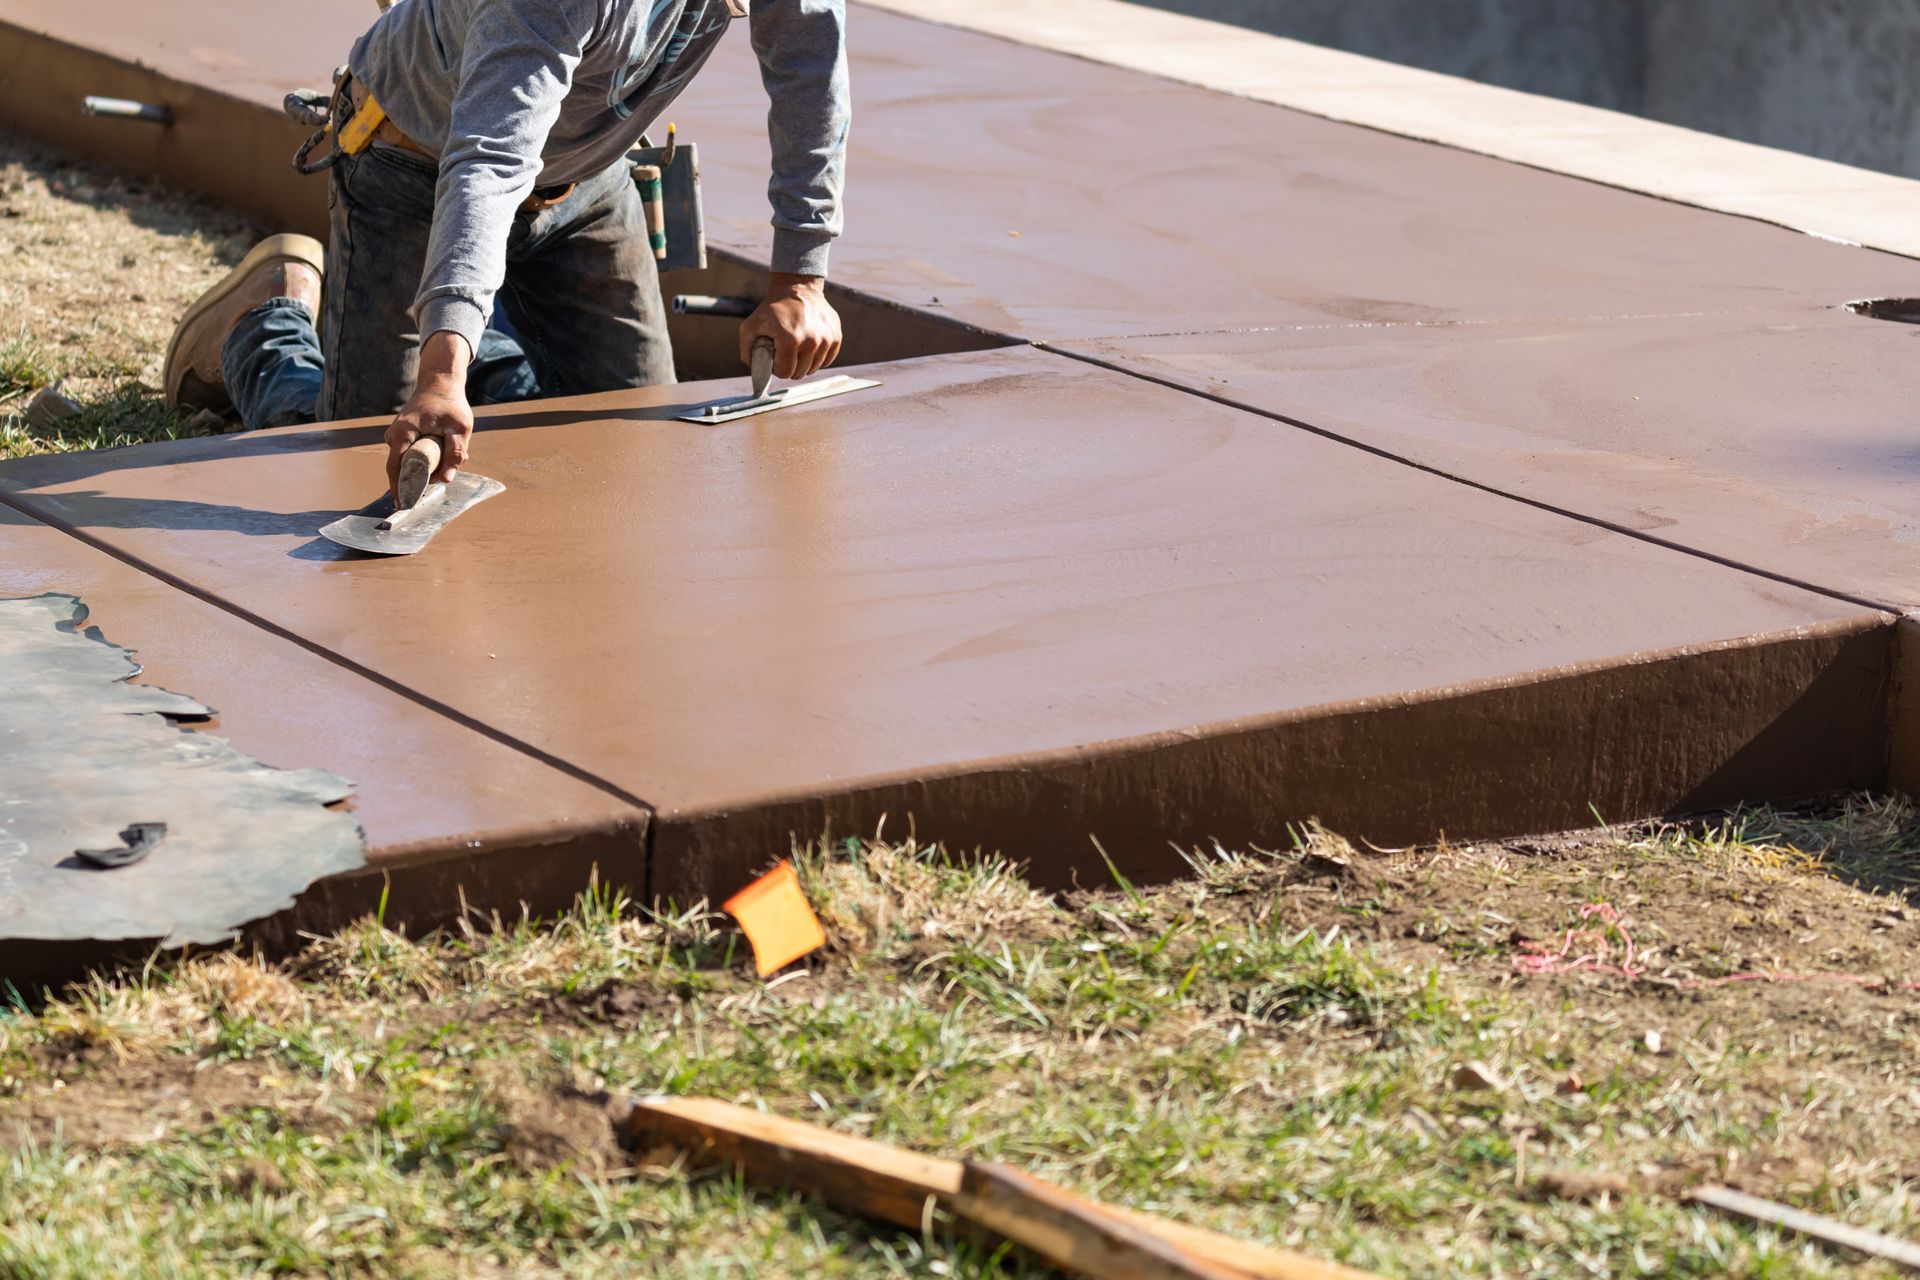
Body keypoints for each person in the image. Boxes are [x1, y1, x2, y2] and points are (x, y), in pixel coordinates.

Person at [163, 0, 847, 497]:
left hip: (585, 179)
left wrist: (800, 278)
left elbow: (808, 70)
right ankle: (261, 327)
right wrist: (438, 374)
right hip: (413, 166)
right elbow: (488, 164)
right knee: (365, 458)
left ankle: (471, 346)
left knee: (637, 449)